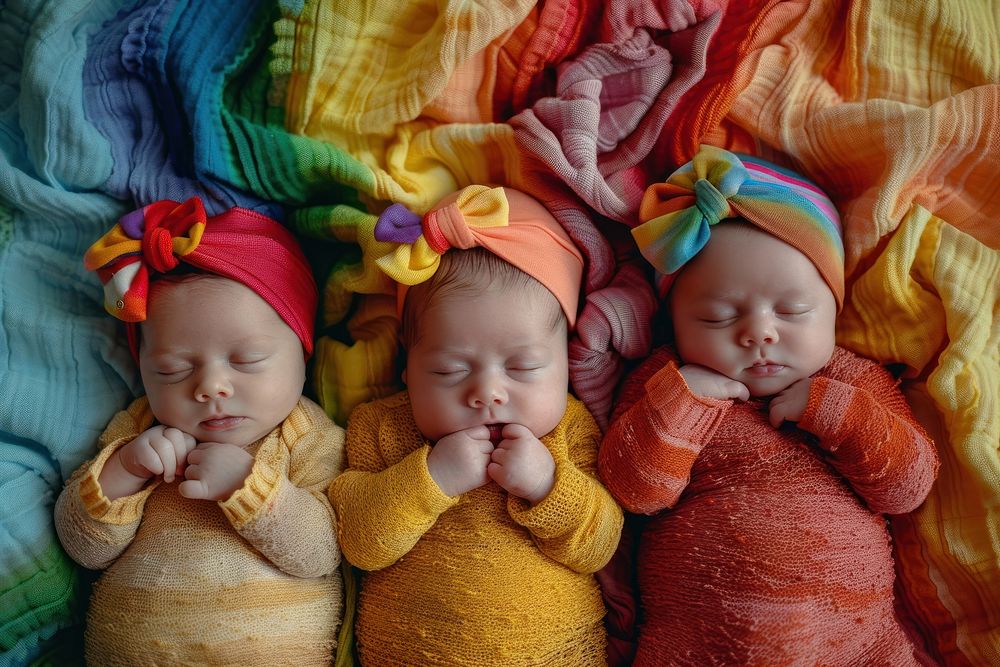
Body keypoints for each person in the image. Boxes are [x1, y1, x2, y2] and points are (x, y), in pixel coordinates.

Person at [598, 145, 939, 665]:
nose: (759, 332)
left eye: (793, 310)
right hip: (696, 642)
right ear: (676, 322)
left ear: (832, 308)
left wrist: (837, 412)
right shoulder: (666, 383)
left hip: (857, 642)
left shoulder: (851, 379)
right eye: (716, 317)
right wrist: (682, 404)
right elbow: (633, 491)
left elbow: (907, 487)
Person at [329, 185, 624, 665]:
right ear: (407, 369)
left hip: (558, 653)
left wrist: (549, 486)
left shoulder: (568, 429)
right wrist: (430, 478)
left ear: (566, 367)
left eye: (524, 367)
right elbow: (358, 543)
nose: (487, 392)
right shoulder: (382, 426)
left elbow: (600, 546)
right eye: (450, 370)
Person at [54, 197, 346, 666]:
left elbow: (322, 552)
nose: (211, 387)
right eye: (172, 370)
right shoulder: (139, 428)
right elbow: (84, 548)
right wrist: (124, 471)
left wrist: (247, 486)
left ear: (303, 353)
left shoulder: (308, 435)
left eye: (247, 361)